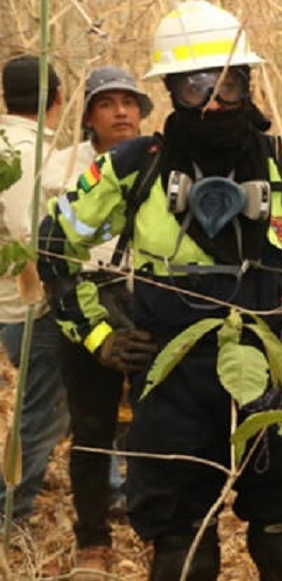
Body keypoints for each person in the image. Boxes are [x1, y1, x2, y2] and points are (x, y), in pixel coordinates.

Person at [37, 0, 282, 580]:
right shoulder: (130, 167)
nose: (214, 103)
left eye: (227, 86)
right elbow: (53, 248)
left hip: (276, 370)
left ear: (247, 84)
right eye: (196, 88)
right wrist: (99, 336)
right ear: (171, 91)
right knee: (178, 542)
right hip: (171, 378)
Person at [56, 66, 152, 577]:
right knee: (91, 429)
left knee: (156, 426)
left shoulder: (163, 162)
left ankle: (161, 528)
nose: (121, 111)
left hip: (152, 305)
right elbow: (51, 252)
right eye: (108, 103)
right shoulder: (64, 169)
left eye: (130, 102)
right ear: (89, 115)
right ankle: (92, 541)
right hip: (84, 307)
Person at [0, 55, 71, 527]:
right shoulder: (28, 153)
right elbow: (27, 230)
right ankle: (9, 513)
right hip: (31, 304)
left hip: (11, 302)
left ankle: (107, 486)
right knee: (41, 415)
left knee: (58, 407)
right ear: (59, 100)